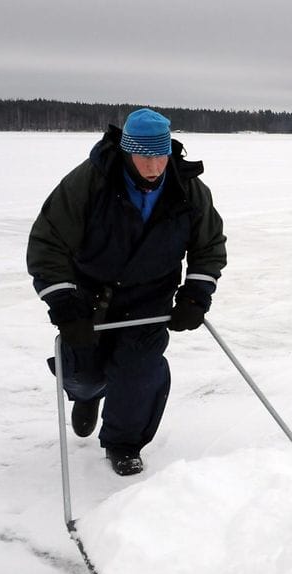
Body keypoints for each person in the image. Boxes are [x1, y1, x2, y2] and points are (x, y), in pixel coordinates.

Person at [27, 108, 227, 475]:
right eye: (145, 156)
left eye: (161, 155)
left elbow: (209, 245)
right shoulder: (90, 182)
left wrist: (196, 294)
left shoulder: (188, 189)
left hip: (149, 299)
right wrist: (64, 305)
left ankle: (123, 442)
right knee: (84, 374)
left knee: (139, 372)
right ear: (126, 152)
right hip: (89, 297)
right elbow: (48, 243)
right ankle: (87, 396)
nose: (154, 167)